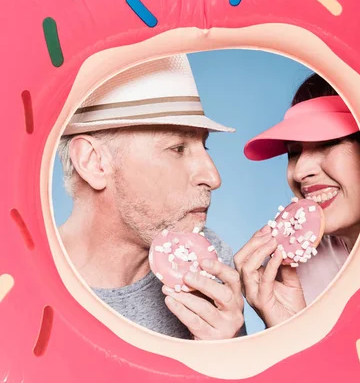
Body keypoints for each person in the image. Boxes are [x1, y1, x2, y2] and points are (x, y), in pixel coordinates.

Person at [57, 54, 245, 340]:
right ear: (94, 162)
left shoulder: (210, 260)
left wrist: (225, 357)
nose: (213, 177)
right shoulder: (20, 283)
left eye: (204, 147)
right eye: (178, 148)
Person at [235, 73, 360, 328]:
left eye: (327, 143)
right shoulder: (293, 275)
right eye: (294, 152)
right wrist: (291, 329)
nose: (299, 171)